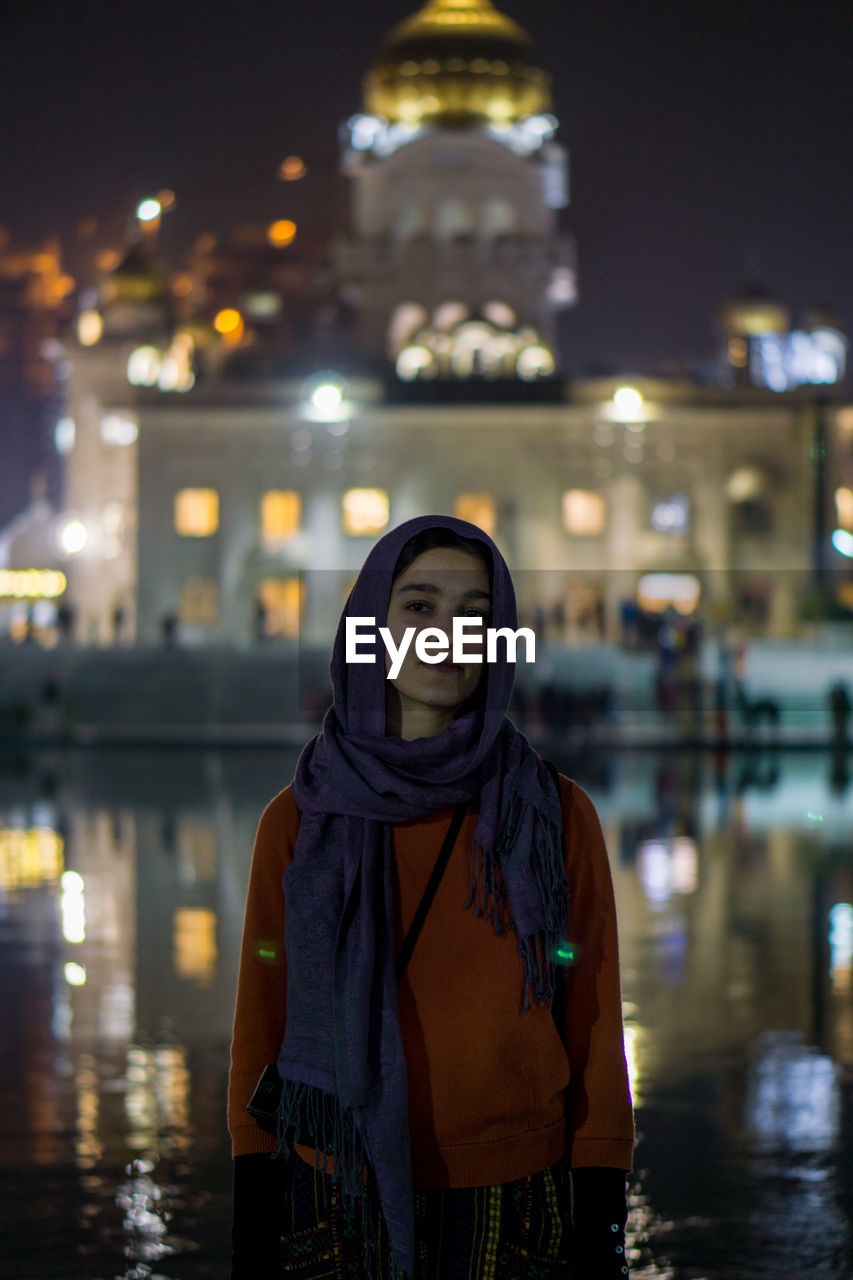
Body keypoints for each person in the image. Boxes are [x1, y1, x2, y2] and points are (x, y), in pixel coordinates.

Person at [228, 514, 635, 1280]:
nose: (445, 634)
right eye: (417, 607)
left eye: (474, 617)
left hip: (511, 1195)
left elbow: (590, 1016)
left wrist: (602, 1210)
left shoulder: (550, 811)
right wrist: (255, 1200)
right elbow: (262, 1016)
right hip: (334, 1185)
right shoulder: (299, 817)